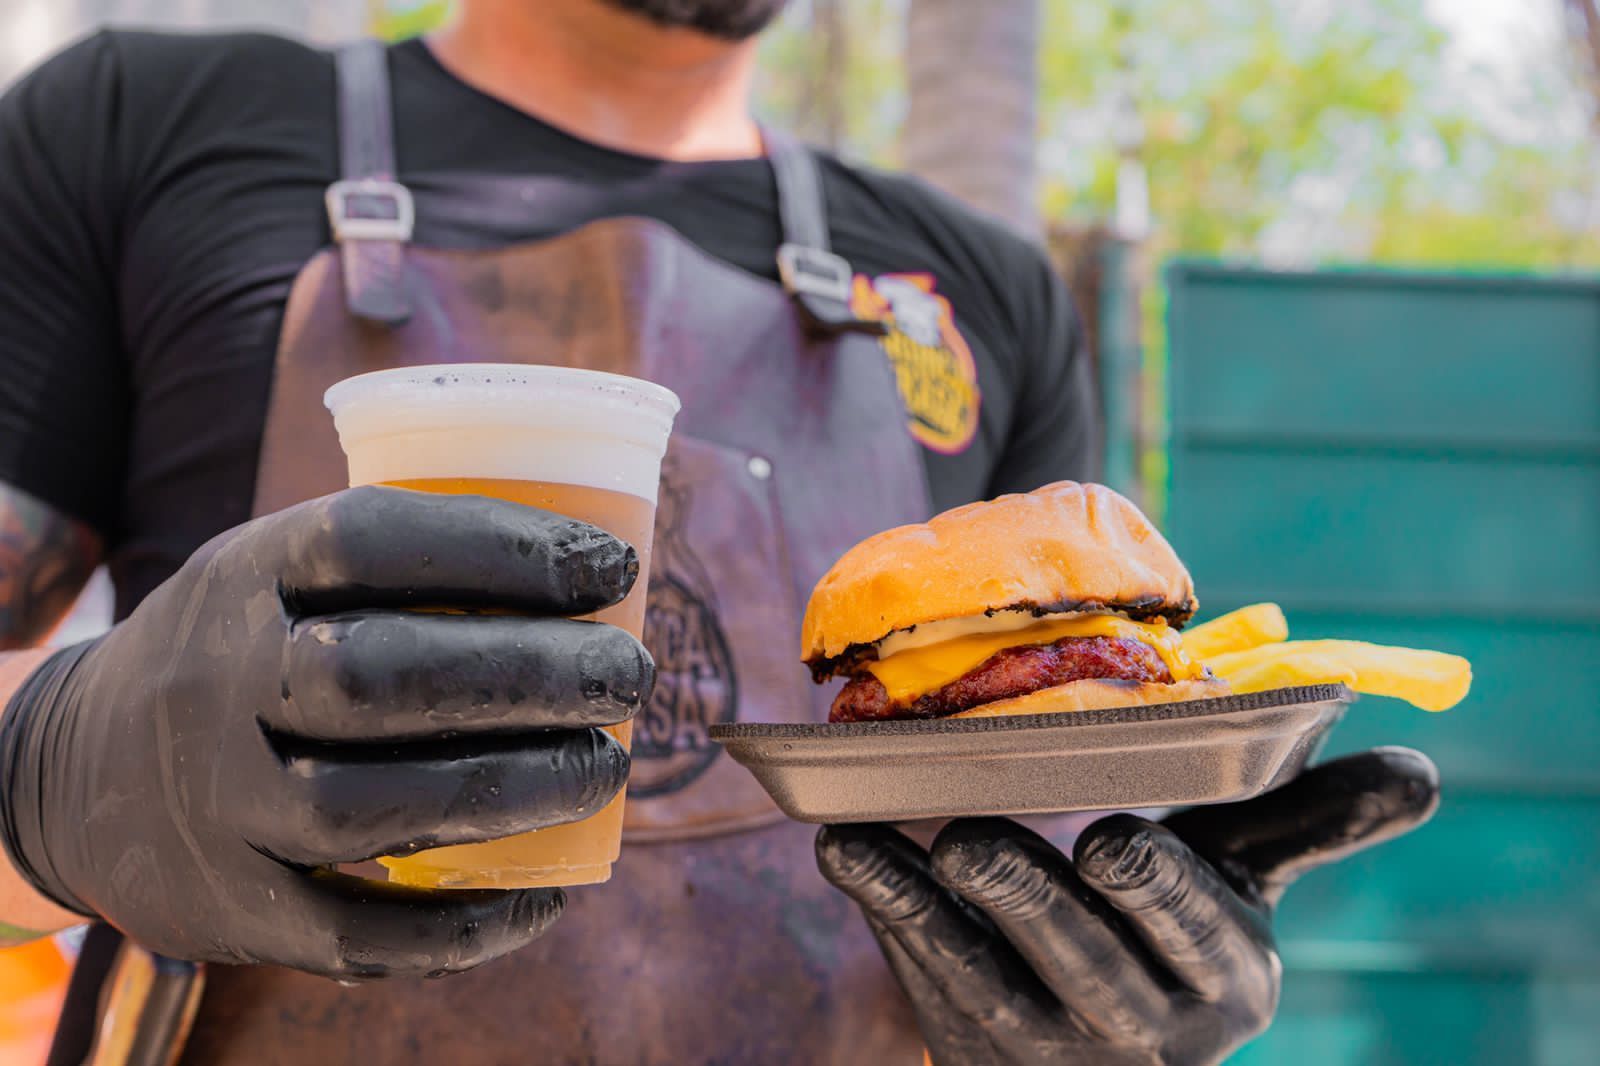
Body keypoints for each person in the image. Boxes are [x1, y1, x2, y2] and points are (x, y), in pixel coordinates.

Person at [0, 1, 1439, 1063]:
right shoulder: (139, 132)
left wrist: (1120, 993)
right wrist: (50, 773)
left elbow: (1042, 842)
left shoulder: (984, 296)